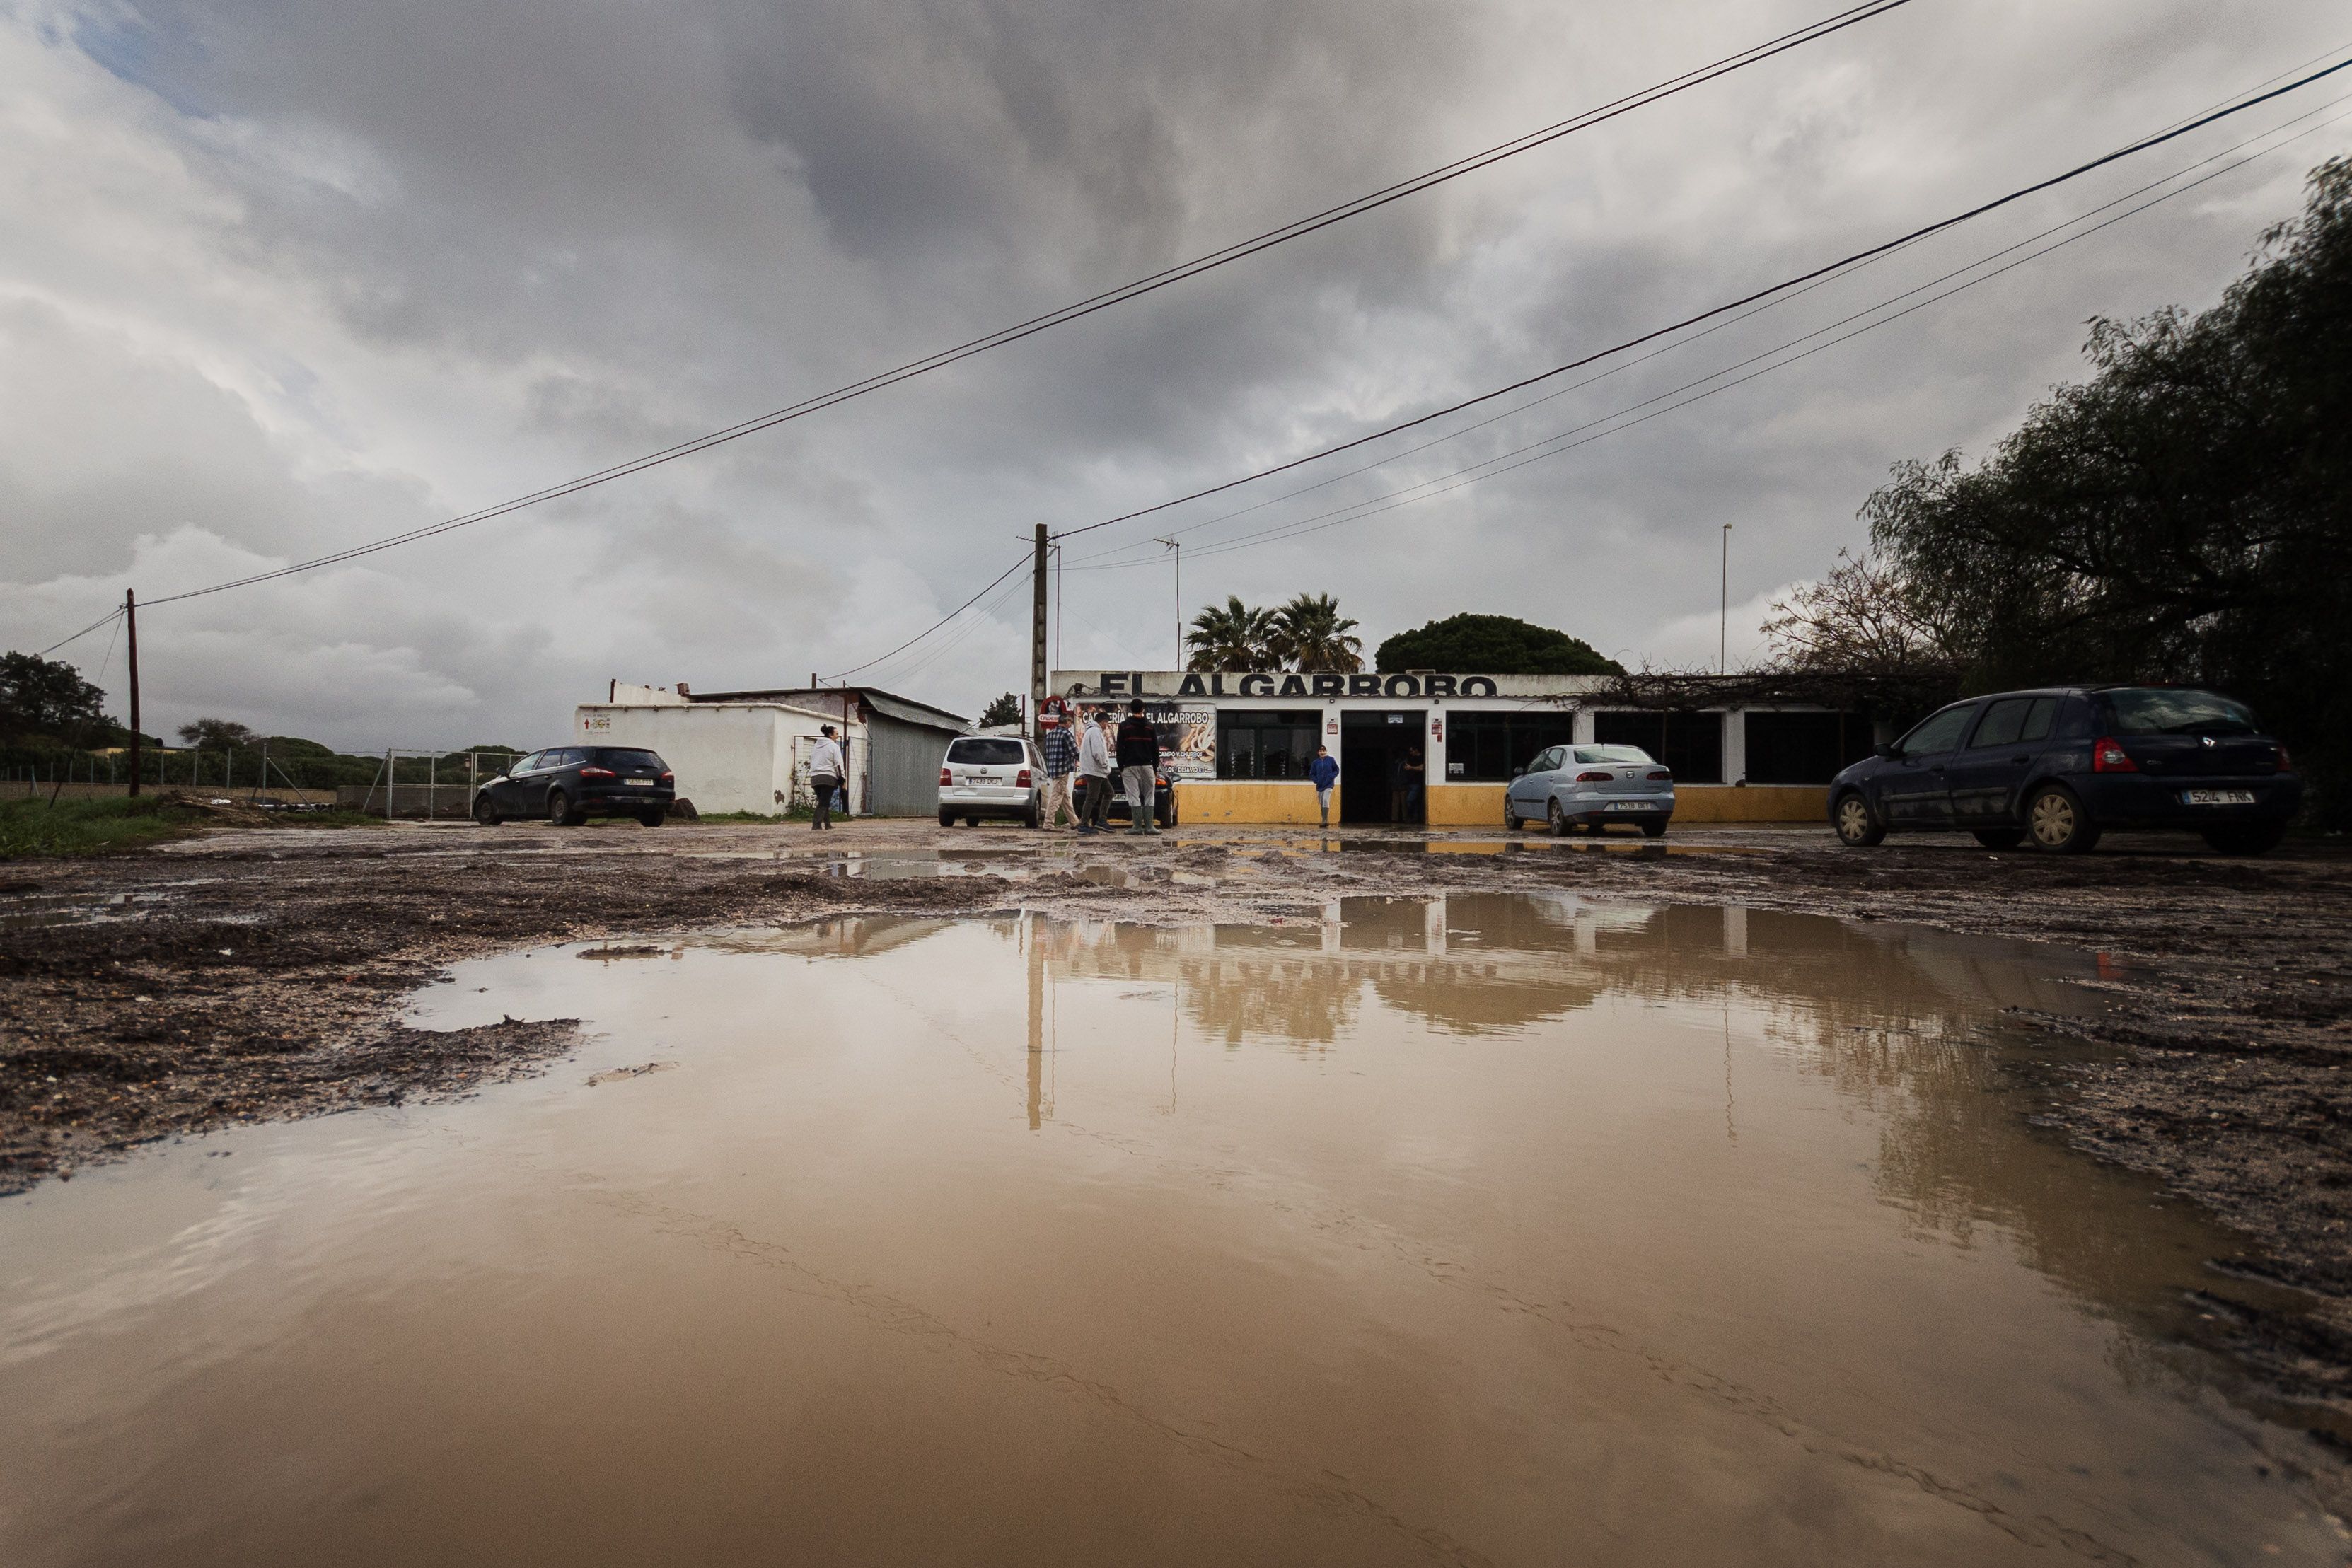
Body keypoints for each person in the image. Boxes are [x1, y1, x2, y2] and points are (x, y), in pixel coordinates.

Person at [1116, 699, 1161, 835]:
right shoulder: (1150, 727)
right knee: (1149, 795)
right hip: (1147, 765)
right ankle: (1149, 827)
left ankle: (1137, 827)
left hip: (1129, 766)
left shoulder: (1124, 726)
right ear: (1143, 709)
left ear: (1131, 709)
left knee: (1133, 795)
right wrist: (1155, 767)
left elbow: (1120, 748)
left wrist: (1121, 766)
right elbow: (1155, 749)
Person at [1039, 710, 1079, 830]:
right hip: (1063, 770)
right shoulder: (1066, 734)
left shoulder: (1050, 734)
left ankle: (1074, 822)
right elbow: (1075, 752)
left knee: (1065, 797)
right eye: (1070, 723)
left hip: (1053, 770)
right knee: (1056, 797)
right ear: (1066, 722)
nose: (1071, 725)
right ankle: (1048, 823)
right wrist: (1085, 759)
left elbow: (1045, 752)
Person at [1077, 707, 1113, 835]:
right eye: (1107, 725)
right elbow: (1098, 753)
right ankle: (1084, 824)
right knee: (1092, 798)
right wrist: (1105, 766)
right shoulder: (1096, 732)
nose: (1106, 727)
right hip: (1096, 771)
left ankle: (1101, 820)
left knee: (1109, 793)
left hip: (1095, 771)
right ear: (1103, 722)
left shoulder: (1090, 732)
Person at [809, 725, 845, 831]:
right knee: (824, 802)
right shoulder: (834, 747)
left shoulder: (815, 746)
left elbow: (812, 761)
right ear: (830, 735)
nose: (838, 736)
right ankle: (816, 824)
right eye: (836, 734)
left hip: (815, 777)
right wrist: (842, 777)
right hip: (828, 777)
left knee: (823, 801)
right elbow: (838, 764)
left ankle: (828, 824)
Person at [1308, 743, 1339, 829]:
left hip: (1329, 784)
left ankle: (1325, 819)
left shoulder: (1331, 760)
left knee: (1326, 800)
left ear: (1326, 752)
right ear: (1318, 752)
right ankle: (1323, 821)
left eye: (1324, 751)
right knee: (1322, 802)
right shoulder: (1315, 763)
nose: (1322, 752)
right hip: (1320, 786)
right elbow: (1312, 774)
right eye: (1321, 751)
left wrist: (1331, 776)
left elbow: (1336, 769)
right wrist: (1316, 780)